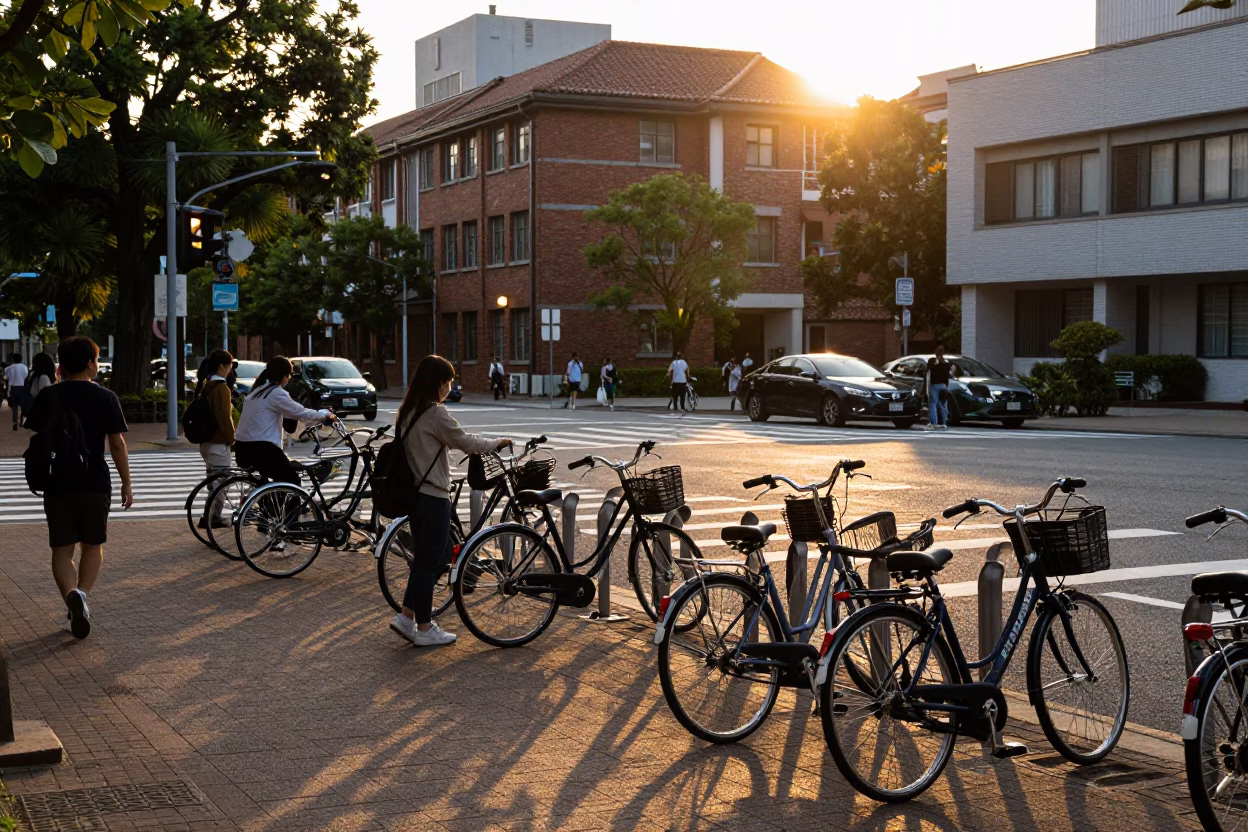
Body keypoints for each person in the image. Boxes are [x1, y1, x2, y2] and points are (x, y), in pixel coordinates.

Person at [390, 355, 512, 647]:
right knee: (429, 563)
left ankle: (406, 618)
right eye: (449, 380)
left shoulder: (408, 411)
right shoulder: (435, 413)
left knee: (436, 556)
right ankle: (424, 627)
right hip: (433, 498)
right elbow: (465, 442)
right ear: (439, 383)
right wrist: (497, 443)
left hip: (416, 496)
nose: (451, 385)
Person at [22, 336, 132, 639]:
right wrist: (126, 482)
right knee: (92, 544)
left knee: (62, 548)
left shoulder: (48, 396)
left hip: (56, 481)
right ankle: (81, 595)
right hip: (94, 480)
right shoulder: (105, 397)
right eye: (96, 360)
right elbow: (117, 444)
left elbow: (36, 436)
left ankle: (71, 599)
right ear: (89, 362)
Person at [234, 356, 337, 484]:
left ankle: (268, 501)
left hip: (242, 448)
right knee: (292, 482)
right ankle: (289, 503)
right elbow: (300, 412)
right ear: (283, 376)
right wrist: (325, 414)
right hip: (262, 449)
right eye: (289, 375)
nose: (289, 378)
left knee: (277, 481)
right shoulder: (276, 393)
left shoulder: (256, 391)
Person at [196, 349, 237, 529]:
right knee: (221, 484)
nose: (230, 370)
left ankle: (209, 515)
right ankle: (214, 517)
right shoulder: (222, 388)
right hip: (218, 444)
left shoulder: (206, 385)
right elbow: (224, 418)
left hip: (206, 442)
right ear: (222, 367)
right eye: (229, 366)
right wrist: (232, 439)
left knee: (213, 483)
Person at [926, 345, 952, 431]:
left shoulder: (933, 365)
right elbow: (949, 375)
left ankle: (933, 423)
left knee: (933, 404)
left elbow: (928, 373)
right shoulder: (947, 365)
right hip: (943, 385)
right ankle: (944, 422)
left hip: (934, 385)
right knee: (943, 404)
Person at [5, 352, 28, 429]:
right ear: (21, 359)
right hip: (22, 388)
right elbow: (26, 377)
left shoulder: (8, 368)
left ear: (13, 359)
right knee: (23, 405)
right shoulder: (25, 367)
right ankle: (22, 420)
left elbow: (7, 378)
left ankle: (15, 422)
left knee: (14, 407)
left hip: (13, 389)